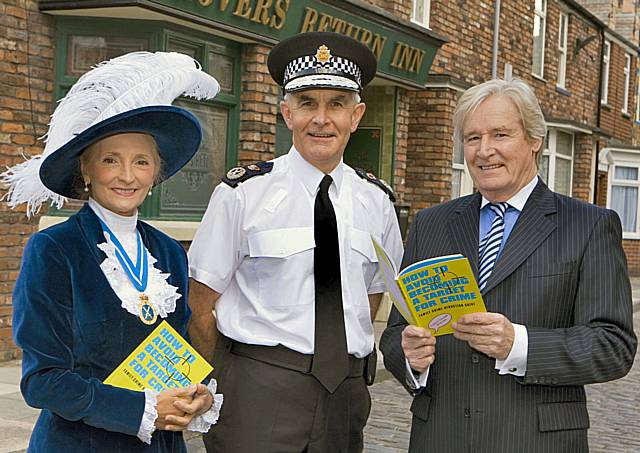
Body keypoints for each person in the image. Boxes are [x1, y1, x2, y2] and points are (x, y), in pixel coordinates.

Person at [379, 78, 637, 452]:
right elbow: (396, 332)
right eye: (472, 138)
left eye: (500, 135)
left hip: (536, 441)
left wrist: (519, 344)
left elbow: (613, 346)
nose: (485, 151)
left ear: (535, 140)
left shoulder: (589, 225)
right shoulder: (431, 223)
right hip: (440, 438)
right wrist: (409, 357)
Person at [187, 32, 403, 453]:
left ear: (356, 116)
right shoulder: (242, 194)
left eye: (336, 104)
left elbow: (373, 294)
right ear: (287, 113)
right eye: (307, 103)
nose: (321, 119)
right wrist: (224, 376)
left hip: (345, 394)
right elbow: (200, 304)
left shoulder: (377, 201)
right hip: (258, 392)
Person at [3, 51, 224, 452]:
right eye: (110, 160)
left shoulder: (169, 251)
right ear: (86, 171)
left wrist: (199, 393)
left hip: (162, 444)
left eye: (141, 161)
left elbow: (176, 352)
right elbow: (43, 380)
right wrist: (142, 407)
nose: (127, 175)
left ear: (156, 173)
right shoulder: (54, 249)